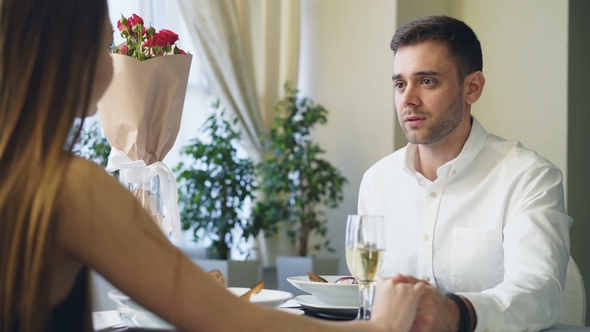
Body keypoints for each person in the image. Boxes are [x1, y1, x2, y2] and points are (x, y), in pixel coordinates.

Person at [0, 0, 427, 331]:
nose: (112, 67)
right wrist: (384, 325)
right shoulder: (69, 186)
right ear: (65, 50)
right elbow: (232, 322)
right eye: (102, 41)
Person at [358, 15, 572, 332]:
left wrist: (457, 313)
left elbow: (540, 291)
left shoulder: (529, 177)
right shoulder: (377, 181)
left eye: (427, 81)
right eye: (400, 84)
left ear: (472, 88)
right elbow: (368, 290)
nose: (408, 99)